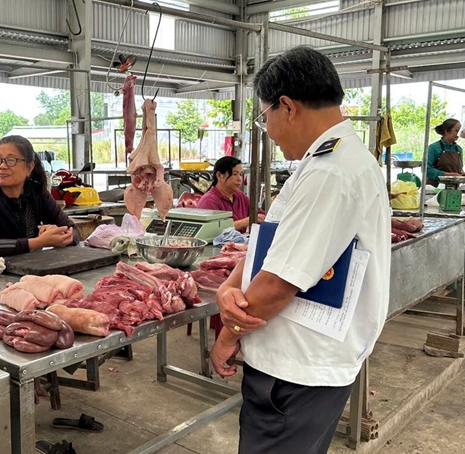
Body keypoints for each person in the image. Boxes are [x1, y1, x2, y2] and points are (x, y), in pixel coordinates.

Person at [209, 46, 390, 454]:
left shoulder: (330, 172)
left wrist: (227, 335)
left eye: (265, 116)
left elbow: (276, 284)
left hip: (296, 371)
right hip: (298, 365)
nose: (268, 128)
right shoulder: (324, 161)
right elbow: (270, 242)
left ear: (286, 107)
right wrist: (229, 287)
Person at [0, 135, 78, 256]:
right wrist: (37, 242)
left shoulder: (36, 192)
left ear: (29, 167)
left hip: (30, 267)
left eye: (10, 160)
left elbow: (73, 230)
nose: (2, 166)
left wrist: (62, 234)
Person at [196, 156, 264, 233]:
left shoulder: (240, 196)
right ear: (219, 176)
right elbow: (212, 230)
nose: (239, 179)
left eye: (240, 174)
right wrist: (245, 222)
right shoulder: (208, 201)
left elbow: (258, 213)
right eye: (235, 174)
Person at [426, 118, 463, 185]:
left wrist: (461, 174)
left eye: (460, 131)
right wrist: (447, 175)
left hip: (454, 188)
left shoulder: (459, 149)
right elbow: (426, 169)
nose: (459, 134)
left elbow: (459, 170)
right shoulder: (434, 148)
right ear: (446, 131)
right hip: (435, 188)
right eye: (457, 131)